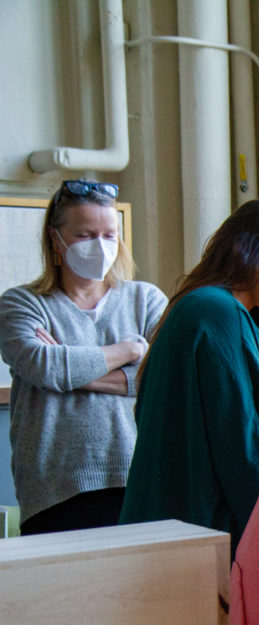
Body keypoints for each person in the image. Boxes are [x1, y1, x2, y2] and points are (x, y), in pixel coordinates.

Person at [119, 199, 259, 553]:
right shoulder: (217, 312)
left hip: (176, 536)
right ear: (247, 244)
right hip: (202, 540)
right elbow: (241, 451)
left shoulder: (205, 308)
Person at [0, 180, 166, 534]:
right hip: (54, 493)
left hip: (137, 481)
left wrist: (66, 371)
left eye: (109, 234)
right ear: (55, 239)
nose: (100, 245)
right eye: (85, 234)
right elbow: (41, 366)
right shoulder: (23, 303)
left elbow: (163, 377)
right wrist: (131, 351)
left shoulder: (146, 300)